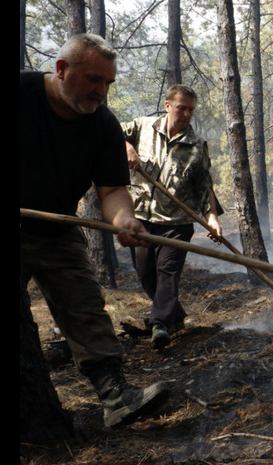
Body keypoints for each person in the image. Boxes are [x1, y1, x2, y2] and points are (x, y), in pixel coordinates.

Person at [21, 33, 169, 428]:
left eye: (108, 83)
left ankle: (115, 396)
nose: (101, 91)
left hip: (58, 227)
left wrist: (123, 221)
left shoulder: (103, 126)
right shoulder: (22, 93)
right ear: (61, 69)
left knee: (86, 308)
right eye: (93, 80)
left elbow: (112, 190)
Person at [122, 84, 223, 349]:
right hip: (140, 216)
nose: (187, 114)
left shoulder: (197, 147)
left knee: (167, 271)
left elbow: (204, 186)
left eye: (191, 109)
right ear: (168, 106)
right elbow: (107, 132)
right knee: (146, 273)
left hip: (176, 222)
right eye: (181, 108)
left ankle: (159, 325)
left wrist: (211, 217)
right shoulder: (141, 127)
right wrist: (126, 147)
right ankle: (175, 315)